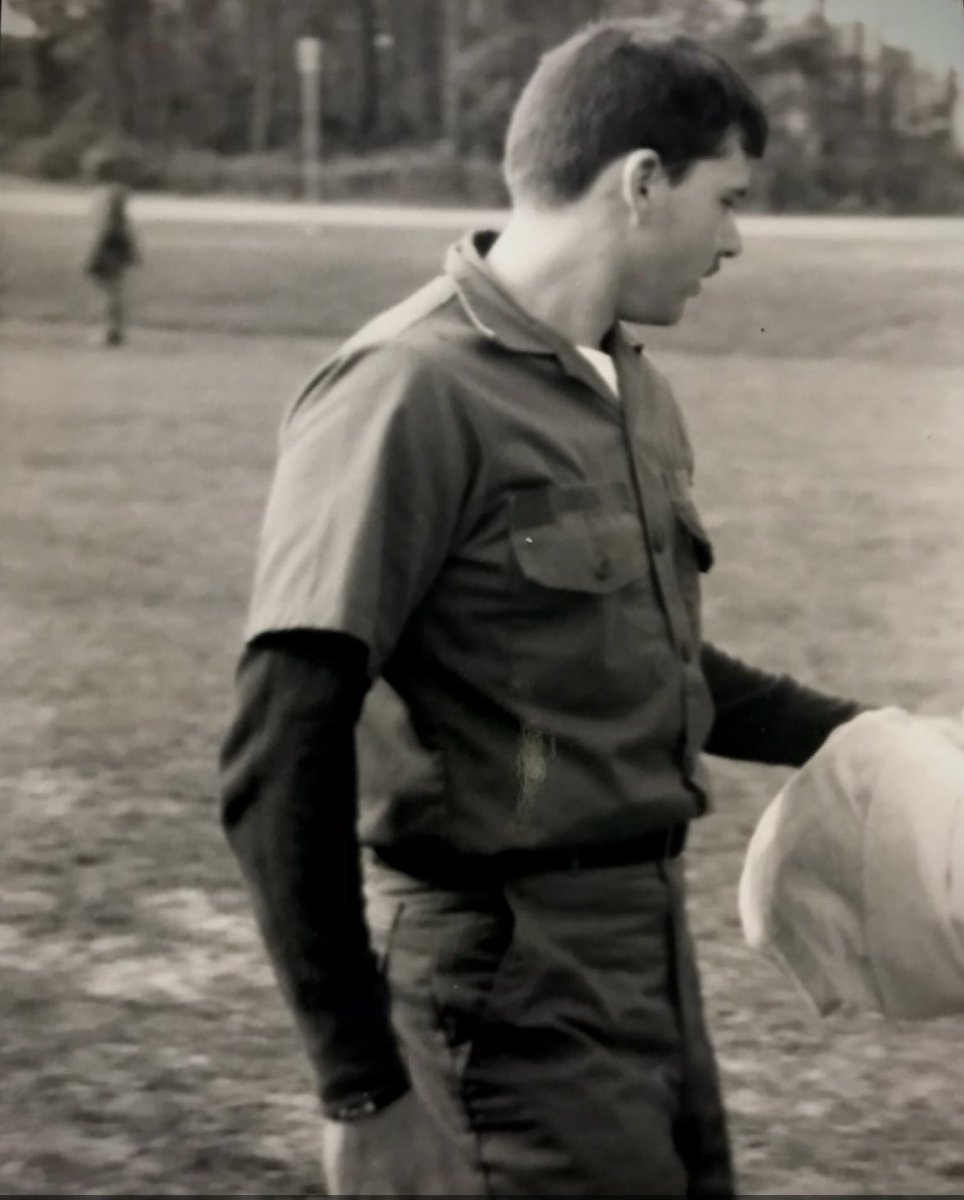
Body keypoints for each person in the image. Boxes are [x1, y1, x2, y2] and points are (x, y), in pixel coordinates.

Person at [220, 22, 869, 1197]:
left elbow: (650, 665)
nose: (734, 241)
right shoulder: (407, 391)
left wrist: (874, 736)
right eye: (725, 200)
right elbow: (280, 746)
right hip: (501, 973)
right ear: (639, 182)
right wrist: (360, 1088)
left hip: (639, 954)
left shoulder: (629, 386)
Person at [84, 179, 139, 346]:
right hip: (115, 261)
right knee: (113, 295)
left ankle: (109, 332)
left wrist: (92, 259)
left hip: (107, 260)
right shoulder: (121, 223)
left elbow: (103, 242)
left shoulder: (111, 224)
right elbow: (129, 246)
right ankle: (114, 331)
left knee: (108, 296)